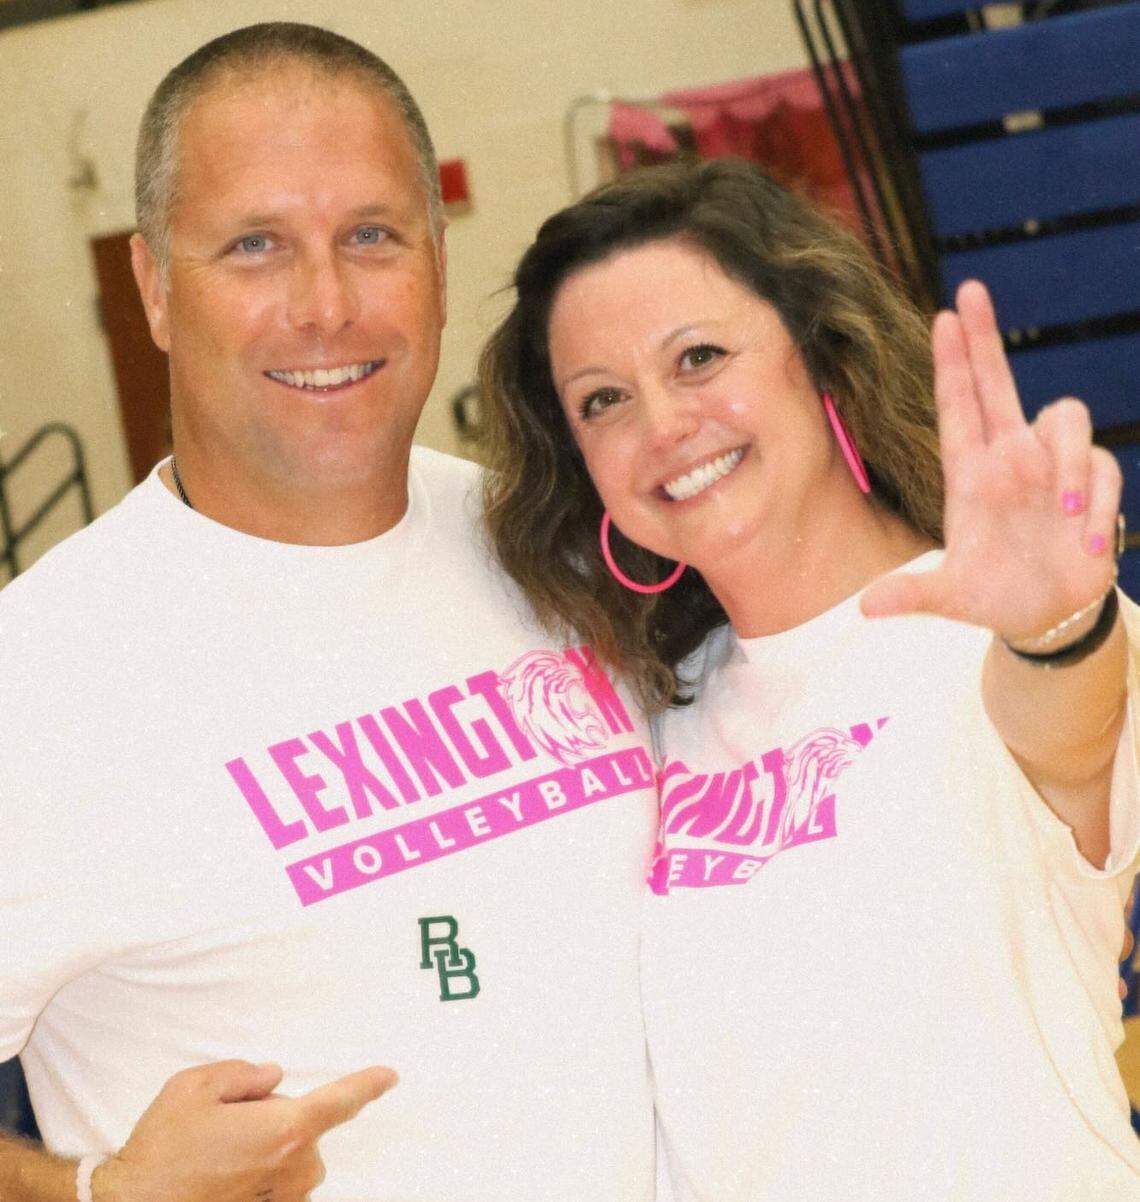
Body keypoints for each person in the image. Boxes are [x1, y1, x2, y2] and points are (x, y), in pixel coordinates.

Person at [0, 23, 660, 1202]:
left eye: (371, 236)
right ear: (153, 285)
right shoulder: (41, 675)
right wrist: (98, 1191)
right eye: (254, 245)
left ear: (442, 263)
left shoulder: (563, 552)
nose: (325, 303)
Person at [478, 158, 1140, 1199]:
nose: (662, 426)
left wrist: (1057, 627)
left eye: (698, 356)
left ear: (821, 354)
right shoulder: (645, 718)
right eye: (603, 400)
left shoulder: (989, 634)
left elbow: (1070, 727)